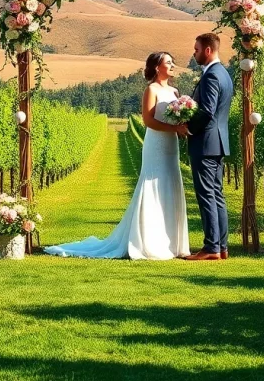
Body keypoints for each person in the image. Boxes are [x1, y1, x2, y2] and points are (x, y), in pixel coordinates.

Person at [43, 52, 190, 260]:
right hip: (156, 143)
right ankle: (149, 241)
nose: (173, 65)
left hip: (171, 145)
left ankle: (172, 243)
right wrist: (174, 129)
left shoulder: (175, 91)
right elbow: (148, 121)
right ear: (157, 67)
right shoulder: (151, 89)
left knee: (171, 181)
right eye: (168, 62)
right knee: (153, 185)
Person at [183, 33, 233, 261]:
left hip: (205, 142)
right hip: (218, 142)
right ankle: (221, 247)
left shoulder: (211, 75)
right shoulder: (224, 74)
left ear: (208, 51)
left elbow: (208, 111)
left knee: (206, 195)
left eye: (196, 50)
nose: (194, 54)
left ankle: (211, 247)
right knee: (216, 195)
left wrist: (188, 127)